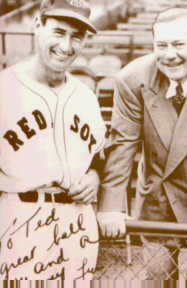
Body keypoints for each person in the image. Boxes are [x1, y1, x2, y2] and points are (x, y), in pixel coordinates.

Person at [0, 0, 106, 283]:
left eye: (77, 36)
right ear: (37, 24)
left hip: (78, 222)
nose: (67, 45)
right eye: (59, 32)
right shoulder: (4, 88)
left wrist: (95, 175)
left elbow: (98, 155)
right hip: (20, 216)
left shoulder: (86, 96)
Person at [97, 8, 187, 279]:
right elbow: (122, 144)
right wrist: (111, 208)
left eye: (179, 44)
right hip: (158, 199)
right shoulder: (133, 79)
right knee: (157, 280)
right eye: (162, 45)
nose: (170, 55)